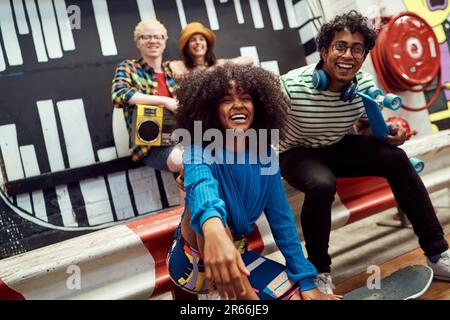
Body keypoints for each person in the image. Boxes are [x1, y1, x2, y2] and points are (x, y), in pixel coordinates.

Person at [279, 10, 450, 294]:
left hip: (336, 144)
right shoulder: (291, 86)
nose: (348, 55)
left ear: (364, 56)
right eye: (340, 46)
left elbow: (370, 129)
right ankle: (319, 270)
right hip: (297, 152)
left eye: (357, 49)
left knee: (395, 158)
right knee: (322, 184)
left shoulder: (365, 87)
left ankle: (437, 253)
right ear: (324, 50)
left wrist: (393, 134)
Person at [166, 63, 342, 300]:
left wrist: (305, 280)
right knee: (214, 209)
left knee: (300, 296)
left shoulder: (265, 154)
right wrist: (215, 229)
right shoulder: (198, 149)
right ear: (211, 110)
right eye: (227, 99)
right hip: (193, 260)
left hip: (238, 255)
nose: (238, 104)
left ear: (259, 106)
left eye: (246, 98)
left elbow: (282, 221)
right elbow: (202, 189)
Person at [112, 19, 182, 173]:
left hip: (181, 137)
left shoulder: (172, 71)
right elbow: (119, 94)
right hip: (152, 146)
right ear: (138, 42)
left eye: (158, 37)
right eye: (146, 37)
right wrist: (164, 101)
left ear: (164, 41)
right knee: (185, 160)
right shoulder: (129, 67)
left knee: (208, 154)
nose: (153, 41)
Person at [168, 21, 253, 76]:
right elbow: (164, 67)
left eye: (201, 39)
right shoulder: (180, 66)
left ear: (207, 45)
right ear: (186, 46)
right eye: (193, 40)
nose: (198, 43)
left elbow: (249, 60)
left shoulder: (217, 64)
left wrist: (214, 68)